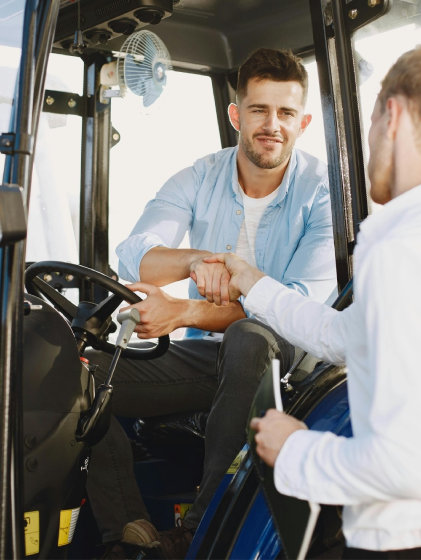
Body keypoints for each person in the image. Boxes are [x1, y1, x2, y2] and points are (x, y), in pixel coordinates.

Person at [205, 44, 421, 559]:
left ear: (391, 116)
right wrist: (253, 281)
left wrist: (293, 450)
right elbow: (342, 337)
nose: (367, 142)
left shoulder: (404, 254)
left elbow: (405, 465)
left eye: (371, 121)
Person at [83, 48, 337, 558]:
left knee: (248, 336)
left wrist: (187, 311)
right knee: (79, 374)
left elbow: (297, 306)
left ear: (304, 122)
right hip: (209, 356)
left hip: (293, 366)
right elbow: (134, 255)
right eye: (260, 110)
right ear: (236, 114)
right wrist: (199, 261)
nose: (272, 125)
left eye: (286, 113)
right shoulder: (200, 177)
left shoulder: (325, 193)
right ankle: (130, 533)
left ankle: (198, 532)